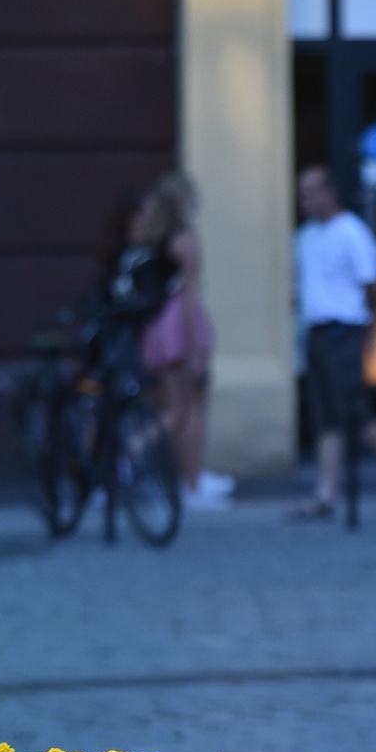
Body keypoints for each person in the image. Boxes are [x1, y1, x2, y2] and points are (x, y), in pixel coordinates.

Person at [291, 165, 376, 520]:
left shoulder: (351, 232)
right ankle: (326, 493)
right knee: (326, 416)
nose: (305, 201)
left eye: (312, 192)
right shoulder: (305, 237)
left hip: (344, 331)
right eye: (302, 194)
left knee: (354, 413)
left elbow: (374, 287)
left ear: (330, 192)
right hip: (316, 331)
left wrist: (372, 329)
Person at [138, 174, 234, 510]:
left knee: (174, 407)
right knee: (188, 409)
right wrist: (195, 347)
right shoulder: (186, 239)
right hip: (180, 322)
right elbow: (190, 295)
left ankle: (185, 477)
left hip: (160, 323)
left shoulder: (155, 237)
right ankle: (191, 481)